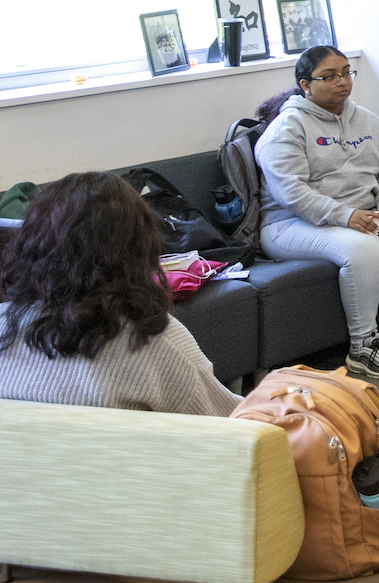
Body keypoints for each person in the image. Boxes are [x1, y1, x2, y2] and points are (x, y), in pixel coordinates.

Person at [256, 46, 379, 380]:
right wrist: (345, 215)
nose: (341, 82)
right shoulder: (287, 128)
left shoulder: (369, 121)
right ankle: (363, 346)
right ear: (305, 85)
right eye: (328, 76)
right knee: (366, 248)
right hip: (291, 224)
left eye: (345, 73)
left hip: (365, 212)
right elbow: (291, 192)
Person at [0, 173, 241, 415]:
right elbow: (229, 428)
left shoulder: (4, 324)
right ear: (138, 249)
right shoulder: (154, 340)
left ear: (30, 242)